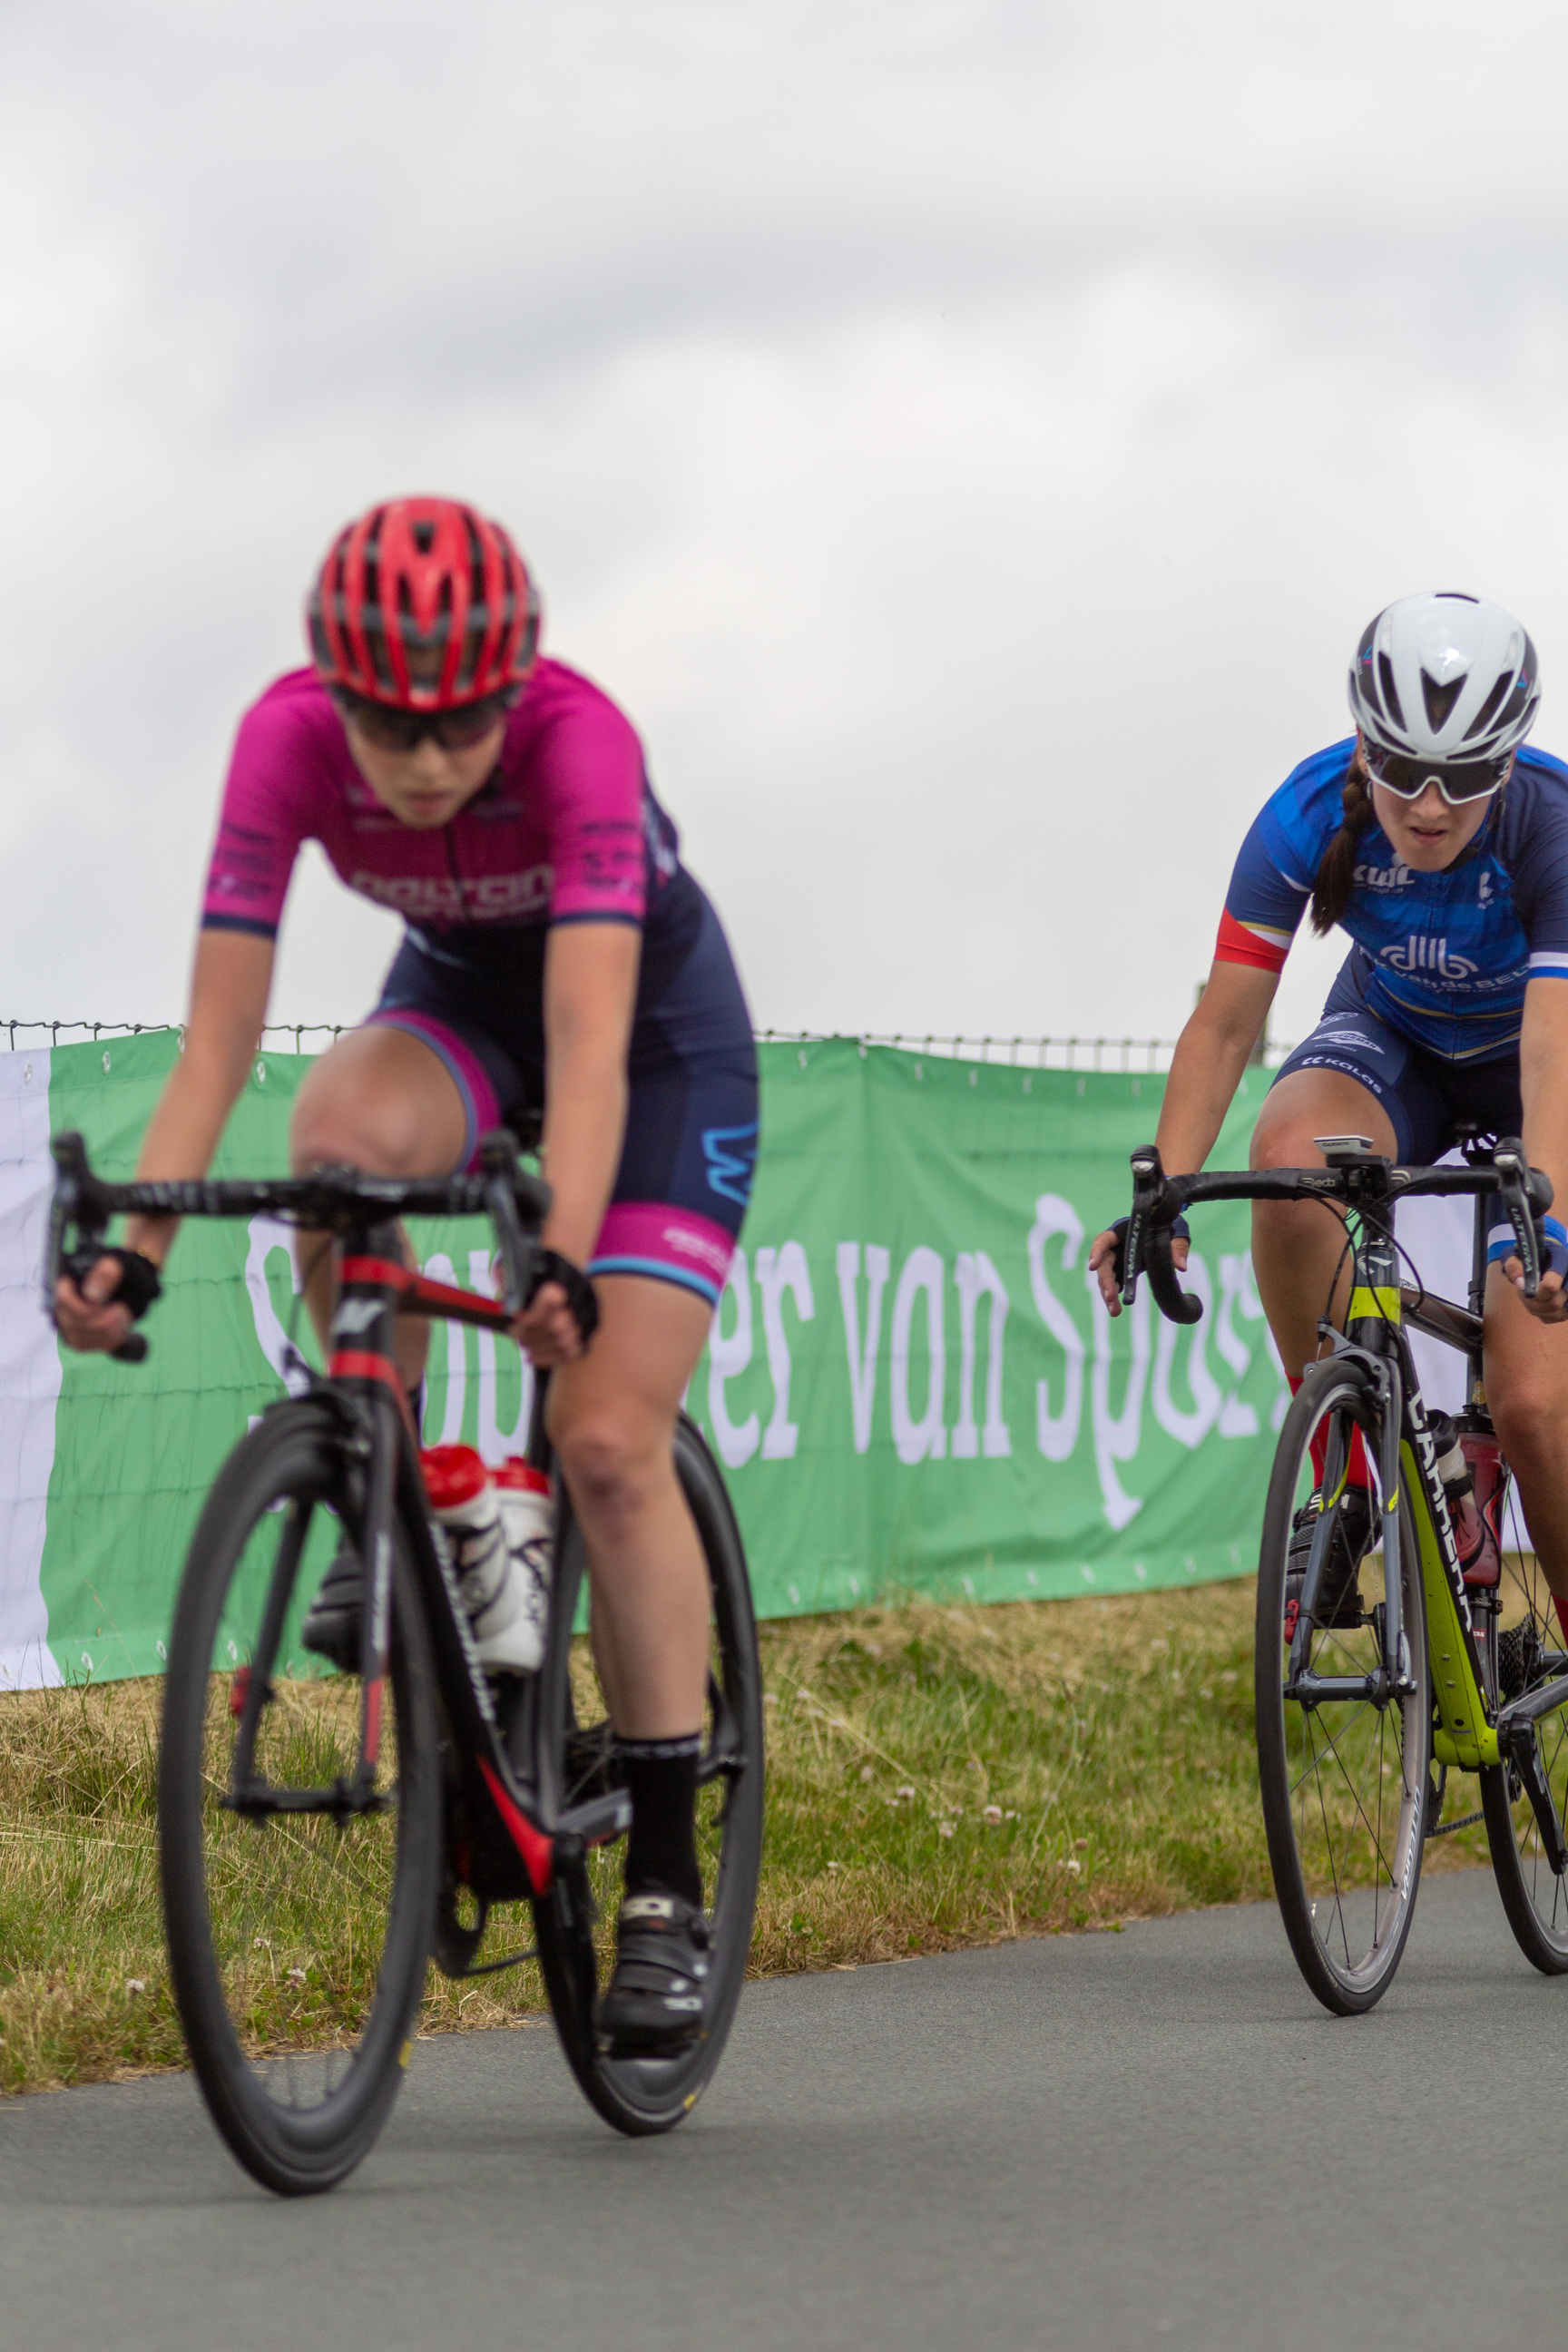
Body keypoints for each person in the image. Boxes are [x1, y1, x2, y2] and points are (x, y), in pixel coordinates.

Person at [53, 495, 759, 2053]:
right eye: (389, 723)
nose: (428, 758)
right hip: (452, 1006)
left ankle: (660, 1877)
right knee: (335, 1135)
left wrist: (559, 1252)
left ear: (512, 686)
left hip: (648, 1048)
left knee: (601, 1437)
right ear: (334, 689)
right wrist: (137, 1246)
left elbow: (586, 1041)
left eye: (459, 723)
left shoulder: (580, 741)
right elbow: (219, 1045)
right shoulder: (281, 741)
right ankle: (403, 1474)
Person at [1090, 589, 1568, 1618]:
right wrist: (1160, 1194)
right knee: (1292, 1159)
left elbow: (1552, 1045)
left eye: (1467, 776)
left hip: (1540, 1066)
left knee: (1530, 1403)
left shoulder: (1551, 823)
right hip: (1395, 1038)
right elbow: (1225, 1026)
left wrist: (1550, 1210)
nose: (1430, 806)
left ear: (1510, 760)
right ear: (1363, 742)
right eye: (1401, 771)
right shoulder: (1304, 813)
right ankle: (1348, 1480)